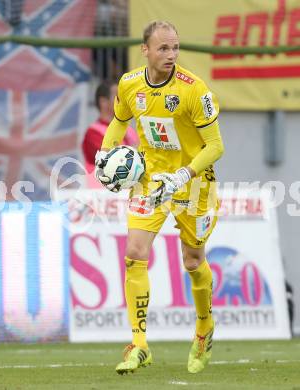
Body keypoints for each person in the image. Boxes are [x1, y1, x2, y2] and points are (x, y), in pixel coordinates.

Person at [95, 21, 224, 375]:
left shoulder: (194, 90)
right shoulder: (129, 83)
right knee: (134, 255)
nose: (171, 55)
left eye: (175, 48)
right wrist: (105, 154)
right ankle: (139, 346)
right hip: (151, 180)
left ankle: (203, 328)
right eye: (163, 48)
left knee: (193, 261)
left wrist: (184, 174)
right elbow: (120, 121)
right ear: (145, 50)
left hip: (193, 183)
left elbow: (216, 146)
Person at [82, 80, 138, 187]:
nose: (123, 100)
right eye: (118, 96)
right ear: (103, 102)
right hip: (102, 198)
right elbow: (112, 162)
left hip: (126, 195)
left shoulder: (129, 130)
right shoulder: (92, 133)